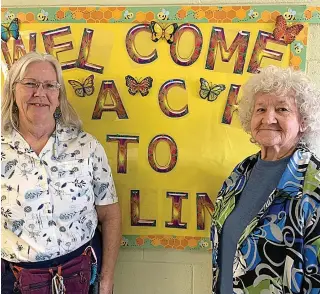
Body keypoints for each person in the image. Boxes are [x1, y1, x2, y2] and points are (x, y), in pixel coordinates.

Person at [1, 52, 121, 294]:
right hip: (14, 282)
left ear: (58, 97)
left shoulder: (86, 146)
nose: (40, 93)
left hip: (81, 276)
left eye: (49, 86)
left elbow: (110, 215)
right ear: (13, 92)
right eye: (30, 84)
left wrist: (106, 282)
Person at [211, 65, 320, 293]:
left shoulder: (314, 182)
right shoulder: (241, 173)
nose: (268, 118)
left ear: (303, 121)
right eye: (260, 109)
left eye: (282, 109)